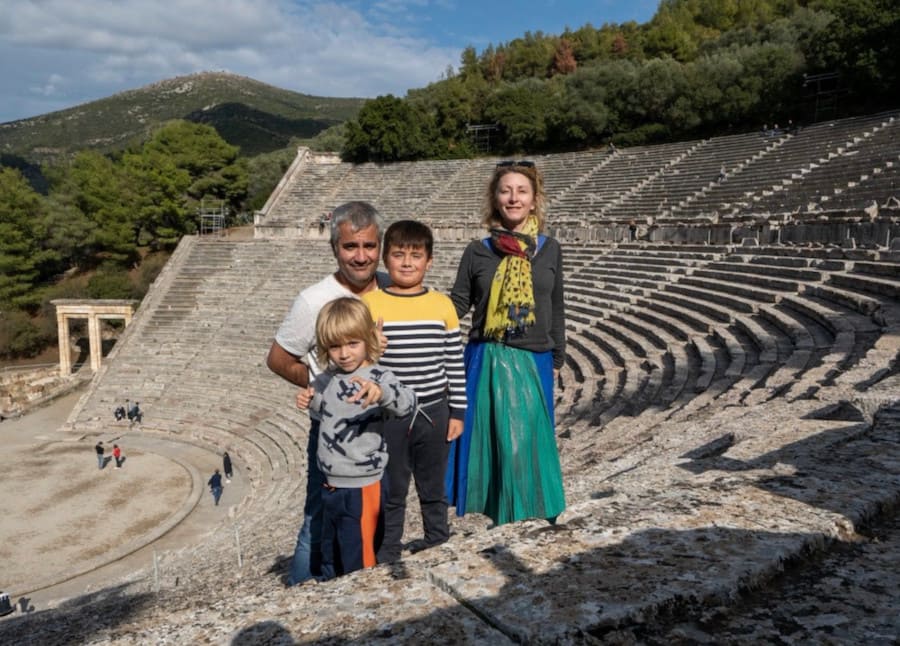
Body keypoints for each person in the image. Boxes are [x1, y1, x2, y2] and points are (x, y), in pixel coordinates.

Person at [266, 200, 385, 586]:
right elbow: (278, 358)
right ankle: (298, 597)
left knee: (380, 515)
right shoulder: (313, 300)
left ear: (380, 246)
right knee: (317, 520)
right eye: (350, 246)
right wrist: (324, 388)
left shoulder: (391, 288)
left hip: (384, 427)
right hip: (334, 434)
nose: (361, 256)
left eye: (369, 245)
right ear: (335, 248)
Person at [447, 159, 566, 527]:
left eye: (521, 191)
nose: (513, 198)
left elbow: (556, 304)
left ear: (534, 200)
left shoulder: (549, 249)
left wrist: (558, 357)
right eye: (506, 191)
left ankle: (535, 523)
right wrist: (412, 306)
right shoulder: (477, 250)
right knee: (495, 450)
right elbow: (457, 304)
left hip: (536, 358)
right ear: (495, 199)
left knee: (527, 449)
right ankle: (503, 526)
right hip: (487, 357)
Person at [362, 220, 466, 563]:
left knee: (432, 485)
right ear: (385, 260)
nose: (407, 263)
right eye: (398, 255)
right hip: (389, 414)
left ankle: (437, 539)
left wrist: (458, 412)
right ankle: (388, 551)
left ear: (429, 261)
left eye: (416, 255)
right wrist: (371, 348)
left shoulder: (442, 305)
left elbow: (453, 361)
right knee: (392, 488)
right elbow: (359, 364)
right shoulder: (371, 304)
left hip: (435, 410)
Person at [296, 297, 415, 580]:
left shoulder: (379, 376)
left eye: (352, 343)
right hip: (331, 485)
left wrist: (382, 394)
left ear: (367, 339)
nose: (344, 354)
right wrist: (311, 400)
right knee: (331, 554)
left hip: (362, 487)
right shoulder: (327, 379)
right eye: (334, 346)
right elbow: (329, 411)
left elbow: (408, 403)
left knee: (358, 560)